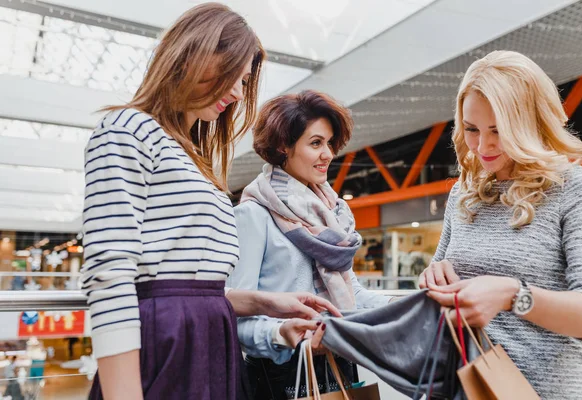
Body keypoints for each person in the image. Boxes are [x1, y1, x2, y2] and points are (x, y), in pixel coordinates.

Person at [80, 5, 339, 400]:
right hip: (165, 344)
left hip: (210, 343)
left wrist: (264, 302)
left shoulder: (194, 158)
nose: (237, 92)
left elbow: (193, 283)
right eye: (232, 75)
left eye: (244, 80)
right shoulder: (127, 130)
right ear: (193, 55)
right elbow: (110, 275)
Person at [419, 50, 582, 399]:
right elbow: (437, 282)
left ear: (530, 123)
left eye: (499, 131)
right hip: (464, 388)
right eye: (471, 129)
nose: (483, 146)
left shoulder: (575, 187)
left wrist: (512, 294)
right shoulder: (463, 192)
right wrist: (433, 278)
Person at [229, 90, 394, 399]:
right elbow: (235, 315)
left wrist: (398, 307)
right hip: (282, 372)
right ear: (283, 146)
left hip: (338, 360)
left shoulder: (331, 214)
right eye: (316, 143)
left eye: (330, 143)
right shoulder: (254, 215)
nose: (328, 154)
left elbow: (350, 294)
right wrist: (282, 334)